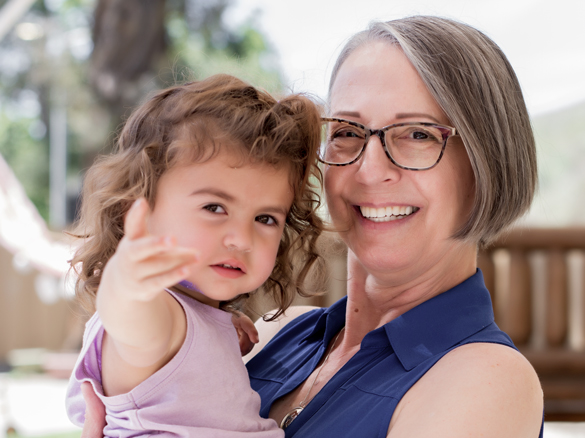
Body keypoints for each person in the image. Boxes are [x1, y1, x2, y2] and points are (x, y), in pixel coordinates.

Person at [79, 16, 544, 438]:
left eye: (418, 134)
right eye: (346, 132)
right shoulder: (272, 332)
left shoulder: (488, 378)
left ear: (489, 162)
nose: (369, 170)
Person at [66, 74, 324, 437]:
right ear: (140, 205)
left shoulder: (190, 319)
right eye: (215, 207)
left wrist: (214, 319)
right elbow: (133, 321)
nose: (241, 238)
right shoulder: (161, 318)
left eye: (265, 218)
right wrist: (125, 283)